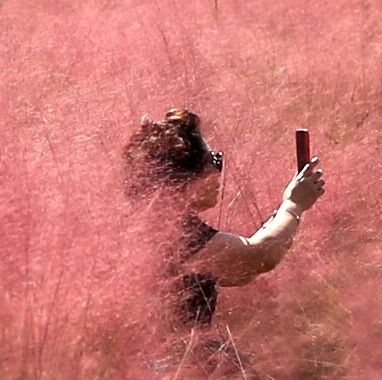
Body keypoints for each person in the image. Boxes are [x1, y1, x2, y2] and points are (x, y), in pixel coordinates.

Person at [124, 109, 326, 335]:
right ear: (186, 174)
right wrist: (293, 205)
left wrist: (282, 216)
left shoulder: (146, 222)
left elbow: (239, 271)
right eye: (214, 160)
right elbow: (257, 258)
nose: (219, 171)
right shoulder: (179, 233)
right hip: (173, 366)